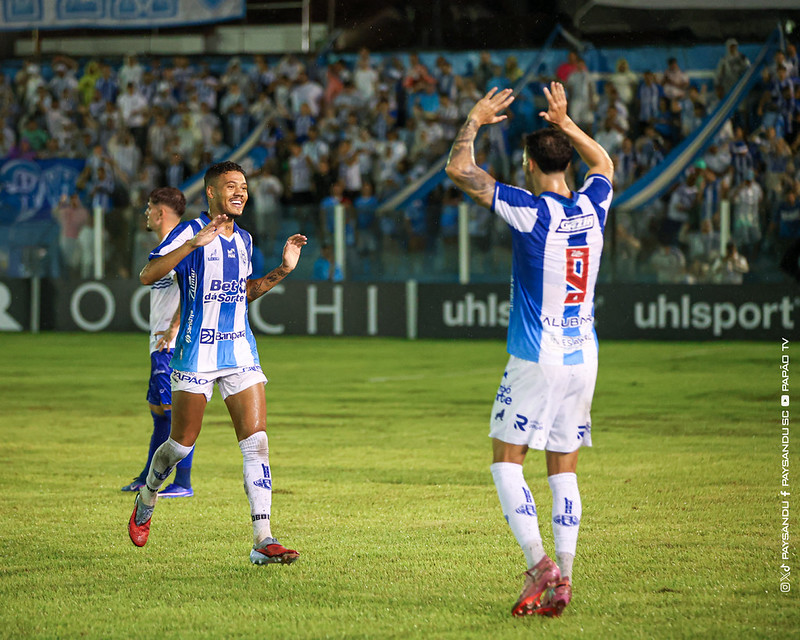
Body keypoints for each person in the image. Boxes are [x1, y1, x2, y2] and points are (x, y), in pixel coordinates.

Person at [445, 83, 613, 618]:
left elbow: (460, 171)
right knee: (564, 467)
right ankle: (564, 578)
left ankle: (540, 562)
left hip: (536, 356)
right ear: (565, 160)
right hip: (582, 357)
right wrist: (567, 124)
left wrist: (472, 120)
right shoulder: (592, 206)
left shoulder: (530, 209)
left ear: (528, 162)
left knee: (507, 461)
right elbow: (604, 162)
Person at [128, 161, 308, 567]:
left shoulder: (244, 239)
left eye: (244, 186)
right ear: (211, 193)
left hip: (239, 350)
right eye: (231, 186)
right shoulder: (190, 232)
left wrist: (282, 269)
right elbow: (147, 274)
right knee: (179, 446)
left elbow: (240, 294)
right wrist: (191, 245)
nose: (241, 192)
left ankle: (263, 539)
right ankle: (148, 495)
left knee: (257, 442)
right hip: (195, 352)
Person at [120, 187, 196, 499]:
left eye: (149, 208)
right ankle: (146, 475)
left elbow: (192, 288)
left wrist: (174, 327)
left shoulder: (179, 243)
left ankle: (183, 482)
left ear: (160, 213)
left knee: (176, 413)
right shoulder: (168, 244)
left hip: (171, 342)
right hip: (160, 341)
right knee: (158, 410)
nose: (146, 214)